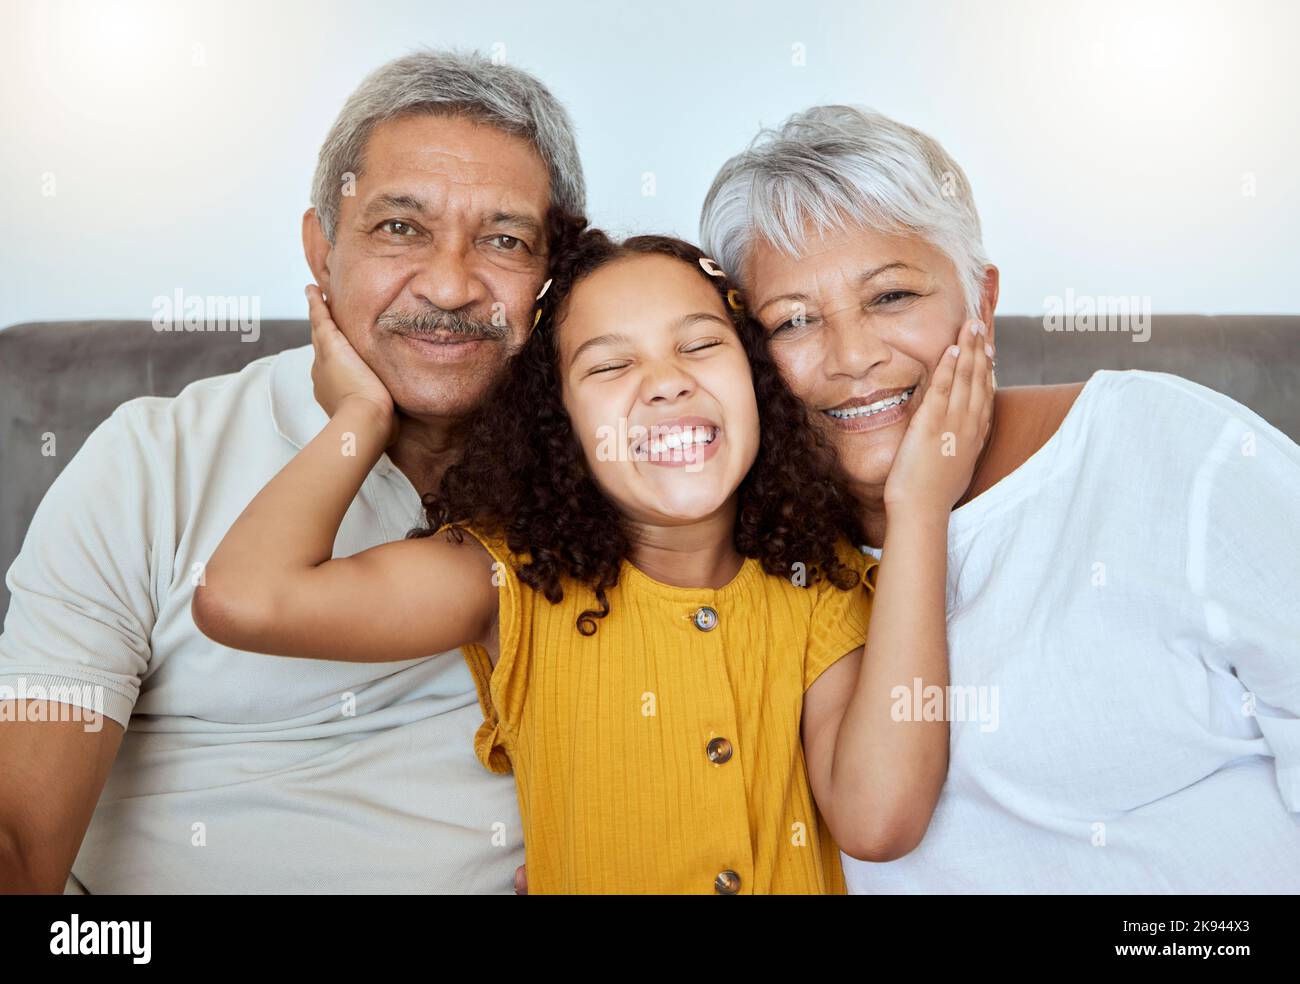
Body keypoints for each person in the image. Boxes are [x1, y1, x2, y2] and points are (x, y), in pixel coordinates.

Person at [192, 221, 996, 893]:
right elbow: (244, 598)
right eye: (610, 365)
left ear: (759, 384)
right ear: (560, 425)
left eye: (701, 346)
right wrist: (360, 417)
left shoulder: (823, 589)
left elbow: (879, 820)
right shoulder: (509, 579)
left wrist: (919, 507)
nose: (665, 385)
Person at [0, 49, 584, 894]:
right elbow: (19, 837)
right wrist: (357, 427)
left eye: (504, 239)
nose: (453, 285)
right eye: (401, 227)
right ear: (322, 247)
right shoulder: (149, 461)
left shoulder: (614, 470)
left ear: (554, 274)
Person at [700, 104, 1300, 892]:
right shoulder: (748, 547)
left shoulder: (1171, 447)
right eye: (795, 321)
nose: (853, 357)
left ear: (980, 303)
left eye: (890, 298)